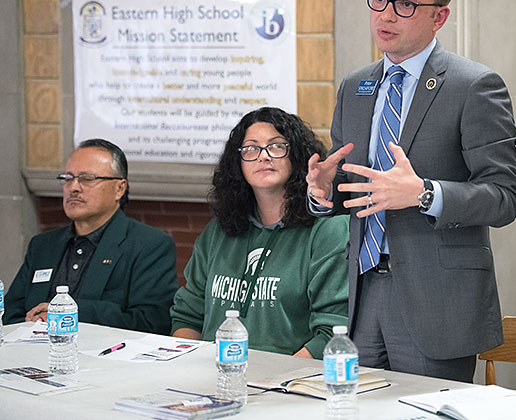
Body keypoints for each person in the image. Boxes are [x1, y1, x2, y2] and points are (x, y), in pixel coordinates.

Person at [306, 0, 516, 381]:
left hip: (436, 301)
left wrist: (424, 193)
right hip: (363, 293)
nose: (385, 15)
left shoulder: (474, 85)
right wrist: (324, 193)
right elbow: (356, 193)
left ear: (438, 17)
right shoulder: (355, 87)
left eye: (405, 4)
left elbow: (503, 198)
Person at [171, 107, 349, 359]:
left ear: (296, 155)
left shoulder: (328, 230)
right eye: (251, 149)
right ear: (238, 163)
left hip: (291, 383)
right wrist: (187, 367)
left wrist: (273, 382)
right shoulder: (219, 231)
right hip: (215, 378)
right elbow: (188, 315)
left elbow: (332, 331)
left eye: (276, 146)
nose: (263, 157)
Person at [3, 139, 178, 335]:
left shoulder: (148, 244)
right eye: (68, 178)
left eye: (87, 179)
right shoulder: (43, 245)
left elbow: (152, 322)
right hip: (36, 355)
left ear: (119, 188)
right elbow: (10, 315)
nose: (74, 187)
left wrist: (68, 314)